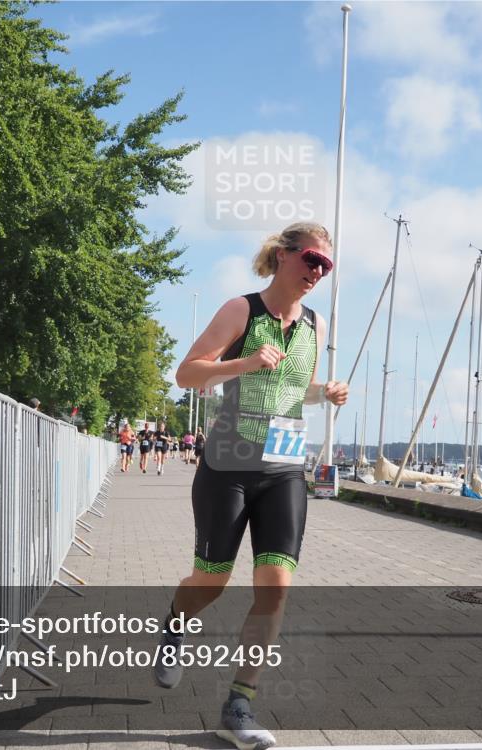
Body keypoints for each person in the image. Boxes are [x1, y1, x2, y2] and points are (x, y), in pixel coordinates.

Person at [152, 222, 348, 750]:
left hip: (284, 466)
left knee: (276, 586)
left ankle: (239, 703)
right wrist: (243, 361)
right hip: (228, 465)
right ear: (283, 255)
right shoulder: (242, 310)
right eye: (310, 259)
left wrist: (325, 392)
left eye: (326, 265)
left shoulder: (315, 324)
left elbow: (293, 389)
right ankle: (175, 623)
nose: (317, 272)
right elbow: (187, 374)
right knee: (211, 582)